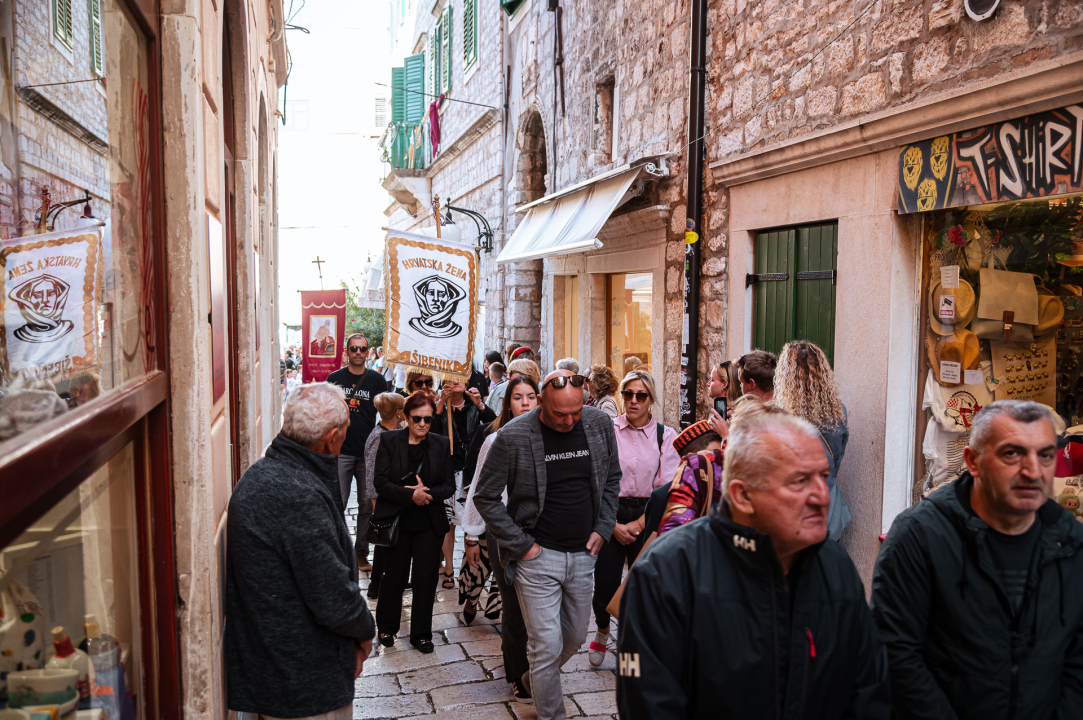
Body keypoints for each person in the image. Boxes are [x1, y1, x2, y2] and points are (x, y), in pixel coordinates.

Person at [617, 412, 890, 719]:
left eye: (823, 477)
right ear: (743, 496)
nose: (821, 496)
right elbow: (652, 706)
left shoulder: (834, 564)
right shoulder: (665, 573)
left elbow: (869, 689)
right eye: (799, 481)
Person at [871, 400, 1083, 719]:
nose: (1033, 471)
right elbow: (895, 655)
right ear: (973, 462)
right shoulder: (919, 536)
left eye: (1045, 455)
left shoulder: (1071, 541)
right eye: (1012, 453)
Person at [474, 369, 621, 720]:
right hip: (537, 557)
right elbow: (485, 498)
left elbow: (612, 478)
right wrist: (522, 545)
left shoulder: (600, 424)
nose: (569, 420)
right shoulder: (512, 436)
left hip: (585, 554)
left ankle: (532, 679)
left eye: (576, 412)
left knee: (572, 641)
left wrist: (604, 527)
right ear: (540, 401)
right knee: (546, 647)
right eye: (559, 414)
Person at [225, 383, 374, 720]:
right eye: (346, 433)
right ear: (331, 437)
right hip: (302, 681)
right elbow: (332, 597)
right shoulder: (297, 494)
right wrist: (365, 631)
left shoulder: (269, 472)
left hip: (281, 672)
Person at [589, 369, 679, 668]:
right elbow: (595, 479)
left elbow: (666, 487)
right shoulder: (607, 429)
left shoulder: (666, 436)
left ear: (650, 399)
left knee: (644, 585)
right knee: (605, 582)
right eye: (628, 394)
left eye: (641, 395)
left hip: (648, 514)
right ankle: (602, 629)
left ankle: (634, 645)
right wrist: (612, 525)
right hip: (610, 511)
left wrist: (639, 524)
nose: (633, 401)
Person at [460, 376, 540, 702]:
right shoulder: (495, 441)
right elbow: (481, 490)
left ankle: (541, 665)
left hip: (540, 532)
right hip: (502, 532)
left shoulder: (549, 439)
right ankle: (517, 673)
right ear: (508, 403)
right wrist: (472, 535)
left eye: (530, 397)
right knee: (514, 607)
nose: (525, 402)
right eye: (518, 397)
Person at [372, 391, 455, 653]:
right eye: (417, 418)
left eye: (428, 420)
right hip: (398, 521)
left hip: (429, 523)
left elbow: (449, 485)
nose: (422, 424)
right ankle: (386, 627)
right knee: (393, 577)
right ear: (405, 417)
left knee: (425, 579)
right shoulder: (389, 440)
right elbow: (380, 482)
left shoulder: (441, 444)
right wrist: (411, 495)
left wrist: (426, 494)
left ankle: (421, 634)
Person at [773, 340, 852, 541]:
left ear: (785, 375)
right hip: (829, 511)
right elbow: (836, 461)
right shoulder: (838, 412)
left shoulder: (778, 417)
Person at [325, 334, 389, 571]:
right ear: (347, 351)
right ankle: (338, 551)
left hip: (367, 453)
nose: (359, 352)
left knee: (366, 505)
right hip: (340, 452)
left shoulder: (377, 381)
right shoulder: (334, 379)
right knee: (337, 503)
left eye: (362, 349)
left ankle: (360, 553)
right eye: (354, 348)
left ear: (368, 352)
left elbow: (386, 415)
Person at [434, 377, 497, 587]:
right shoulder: (440, 406)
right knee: (448, 523)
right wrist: (441, 403)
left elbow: (494, 424)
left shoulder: (473, 406)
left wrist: (480, 404)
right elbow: (432, 431)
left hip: (471, 471)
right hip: (448, 470)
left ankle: (469, 571)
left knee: (471, 523)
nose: (455, 383)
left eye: (458, 379)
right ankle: (449, 568)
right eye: (449, 380)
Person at [362, 392, 406, 600]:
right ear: (398, 413)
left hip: (397, 495)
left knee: (392, 541)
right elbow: (370, 473)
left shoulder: (399, 430)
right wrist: (375, 504)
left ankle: (387, 580)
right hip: (383, 497)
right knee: (384, 541)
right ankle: (376, 583)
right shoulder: (378, 436)